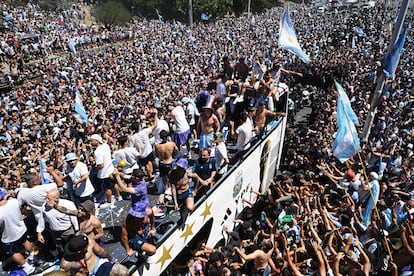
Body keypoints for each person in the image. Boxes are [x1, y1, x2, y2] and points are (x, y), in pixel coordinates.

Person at [114, 169, 156, 257]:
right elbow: (124, 236)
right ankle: (141, 253)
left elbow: (124, 189)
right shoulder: (129, 220)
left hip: (143, 231)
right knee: (152, 249)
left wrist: (152, 228)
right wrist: (128, 249)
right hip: (134, 237)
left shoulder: (141, 188)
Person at [0, 189, 35, 274]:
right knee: (25, 241)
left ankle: (27, 267)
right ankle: (32, 256)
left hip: (9, 236)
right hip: (21, 228)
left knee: (12, 253)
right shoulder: (14, 202)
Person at [37, 189, 79, 259]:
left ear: (56, 199)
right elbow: (41, 220)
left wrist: (76, 230)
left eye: (48, 199)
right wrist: (39, 233)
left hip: (68, 231)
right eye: (46, 198)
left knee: (72, 247)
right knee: (60, 248)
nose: (46, 200)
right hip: (55, 233)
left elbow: (74, 218)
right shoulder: (44, 207)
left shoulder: (68, 204)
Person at [60, 234, 125, 276]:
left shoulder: (89, 242)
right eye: (86, 247)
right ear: (80, 251)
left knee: (123, 272)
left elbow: (102, 252)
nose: (88, 246)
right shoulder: (65, 264)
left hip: (99, 266)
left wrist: (112, 259)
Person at [90, 134, 121, 204]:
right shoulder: (106, 146)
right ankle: (119, 196)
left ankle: (109, 201)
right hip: (111, 169)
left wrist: (95, 167)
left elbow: (101, 165)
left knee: (107, 188)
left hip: (104, 173)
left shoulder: (97, 152)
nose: (90, 143)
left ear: (97, 141)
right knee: (114, 184)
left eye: (92, 141)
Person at [129, 109, 159, 183]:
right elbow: (155, 125)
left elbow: (131, 147)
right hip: (148, 150)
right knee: (149, 163)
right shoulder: (144, 131)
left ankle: (151, 176)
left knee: (147, 165)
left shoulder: (133, 137)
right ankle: (152, 175)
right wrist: (155, 115)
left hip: (142, 153)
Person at [169, 158, 194, 223]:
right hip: (178, 194)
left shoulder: (187, 174)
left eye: (181, 168)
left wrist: (196, 189)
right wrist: (175, 202)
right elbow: (173, 188)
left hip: (186, 192)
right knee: (179, 211)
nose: (179, 169)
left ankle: (185, 211)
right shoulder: (173, 174)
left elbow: (196, 177)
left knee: (190, 208)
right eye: (178, 167)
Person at [154, 130, 179, 194]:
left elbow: (156, 154)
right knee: (171, 176)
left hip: (162, 163)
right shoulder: (172, 144)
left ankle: (166, 188)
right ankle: (171, 189)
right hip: (169, 162)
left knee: (164, 176)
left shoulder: (157, 146)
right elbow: (177, 150)